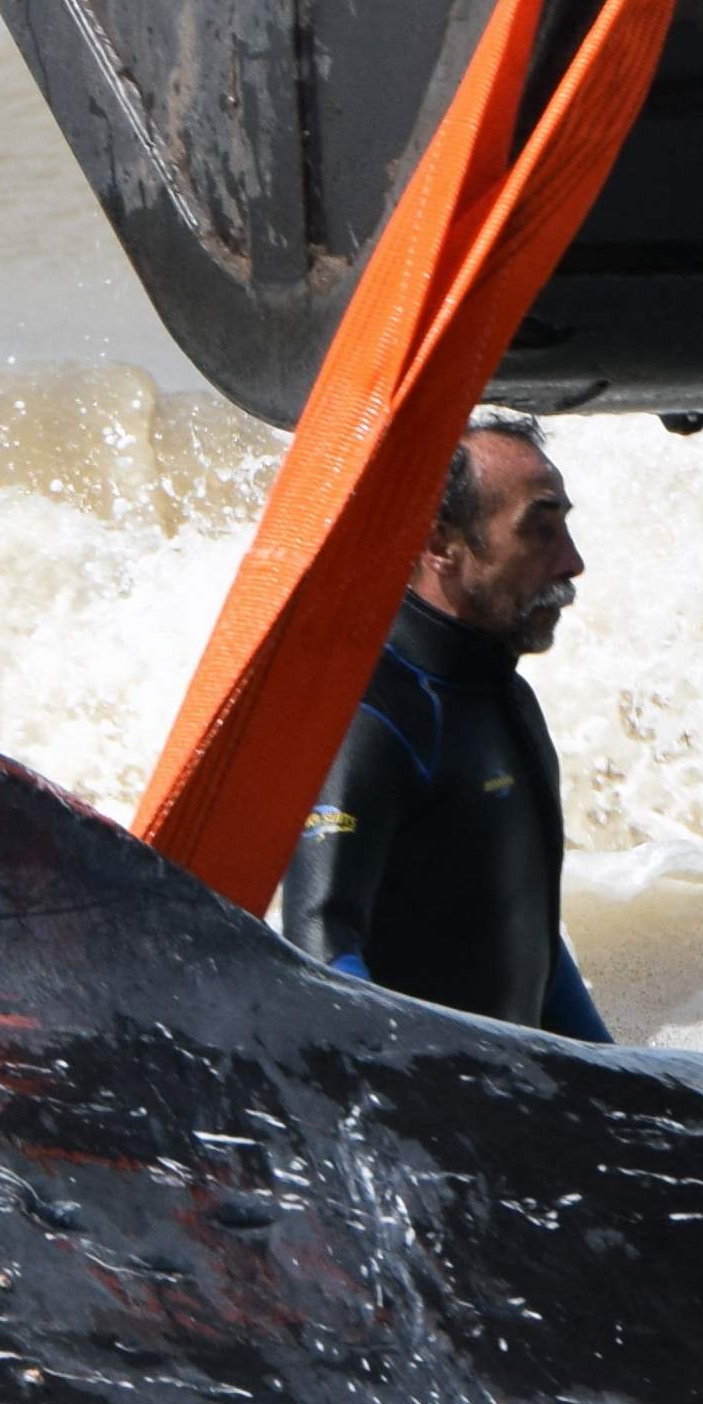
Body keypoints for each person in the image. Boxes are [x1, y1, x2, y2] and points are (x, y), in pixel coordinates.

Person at [273, 410, 604, 1040]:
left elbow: (524, 932)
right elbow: (322, 954)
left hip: (513, 1103)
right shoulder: (372, 719)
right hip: (423, 1117)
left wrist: (622, 1085)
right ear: (438, 542)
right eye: (540, 531)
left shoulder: (509, 701)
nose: (572, 562)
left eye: (566, 527)